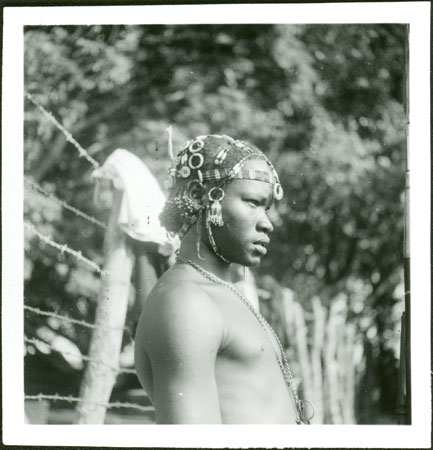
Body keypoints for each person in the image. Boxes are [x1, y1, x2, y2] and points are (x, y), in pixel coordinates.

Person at [134, 134, 312, 424]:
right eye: (253, 202)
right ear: (199, 195)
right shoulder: (185, 302)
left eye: (266, 208)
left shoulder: (223, 293)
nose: (267, 223)